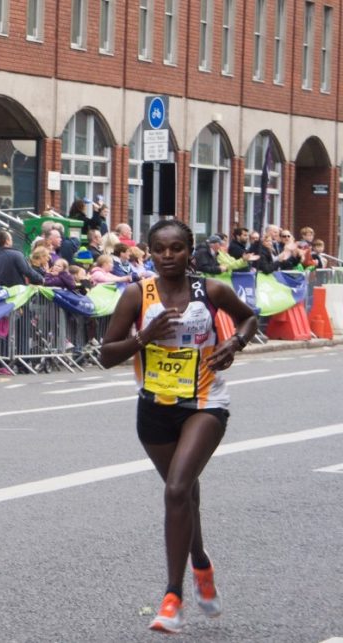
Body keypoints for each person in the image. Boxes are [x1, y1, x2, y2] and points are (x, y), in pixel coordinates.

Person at [99, 218, 257, 634]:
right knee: (184, 494)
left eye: (176, 249)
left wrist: (233, 343)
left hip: (205, 402)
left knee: (176, 489)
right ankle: (201, 561)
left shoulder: (212, 290)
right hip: (154, 407)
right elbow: (105, 355)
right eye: (159, 249)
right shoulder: (137, 295)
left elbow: (249, 319)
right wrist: (144, 336)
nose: (168, 256)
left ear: (189, 252)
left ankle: (173, 597)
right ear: (148, 252)